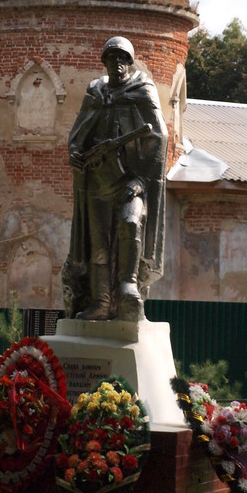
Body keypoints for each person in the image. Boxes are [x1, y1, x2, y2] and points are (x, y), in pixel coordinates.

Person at [62, 36, 168, 321]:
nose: (117, 64)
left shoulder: (142, 89)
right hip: (98, 180)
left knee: (130, 222)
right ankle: (101, 302)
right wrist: (74, 151)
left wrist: (142, 181)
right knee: (98, 245)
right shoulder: (96, 92)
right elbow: (78, 134)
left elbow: (159, 136)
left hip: (130, 181)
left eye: (122, 59)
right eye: (111, 59)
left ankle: (128, 287)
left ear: (130, 63)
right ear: (105, 62)